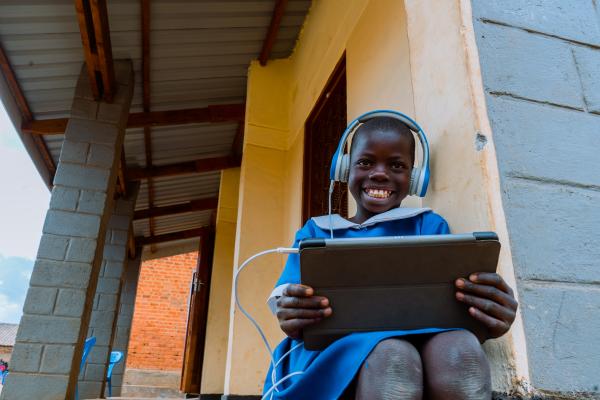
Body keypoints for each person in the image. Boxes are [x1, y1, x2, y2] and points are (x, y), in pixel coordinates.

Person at [263, 116, 518, 400]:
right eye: (365, 163)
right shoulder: (318, 232)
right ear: (345, 169)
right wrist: (291, 312)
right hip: (336, 350)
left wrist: (487, 314)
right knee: (392, 357)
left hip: (421, 342)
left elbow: (451, 299)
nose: (380, 174)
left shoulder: (429, 226)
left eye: (396, 165)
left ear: (414, 178)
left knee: (460, 351)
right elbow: (286, 301)